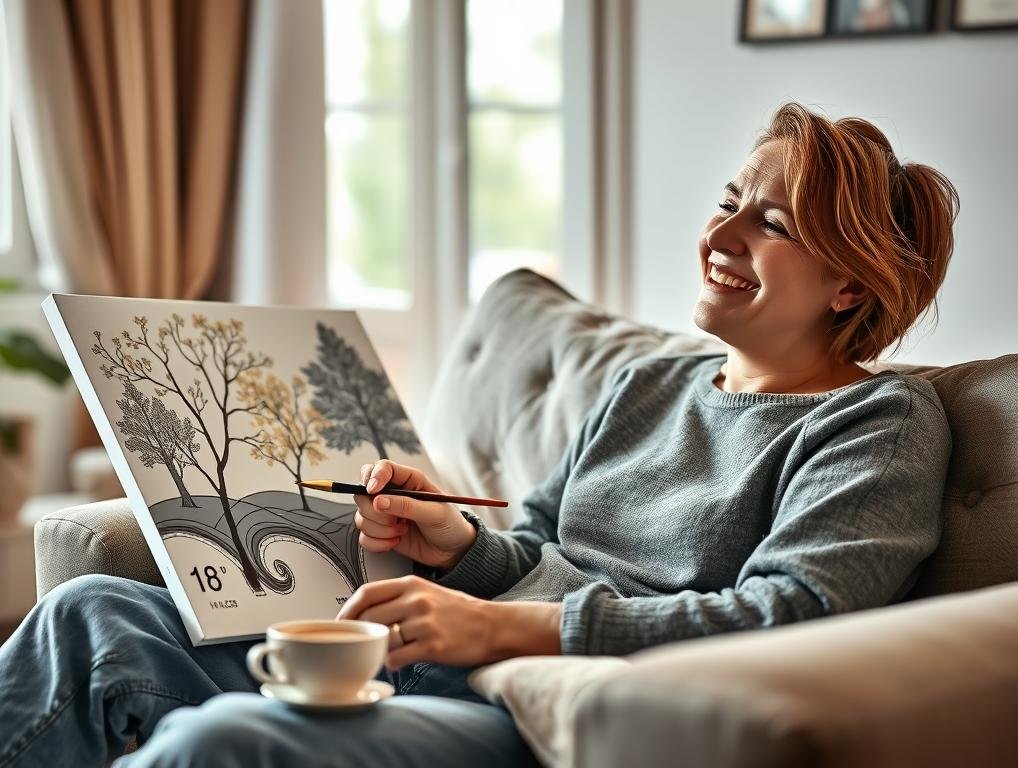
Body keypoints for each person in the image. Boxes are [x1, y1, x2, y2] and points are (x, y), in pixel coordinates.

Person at [0, 102, 959, 767]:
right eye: (728, 201)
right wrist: (456, 545)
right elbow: (537, 545)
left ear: (851, 287)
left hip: (551, 715)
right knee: (94, 612)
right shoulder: (648, 381)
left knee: (224, 746)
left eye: (775, 221)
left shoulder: (877, 422)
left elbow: (791, 614)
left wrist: (500, 627)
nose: (725, 233)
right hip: (433, 662)